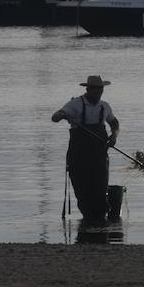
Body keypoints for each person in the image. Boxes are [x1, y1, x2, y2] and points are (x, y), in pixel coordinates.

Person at [52, 75, 120, 225]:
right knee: (82, 188)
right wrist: (61, 115)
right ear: (88, 89)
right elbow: (54, 117)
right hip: (78, 154)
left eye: (100, 90)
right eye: (95, 90)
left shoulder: (105, 106)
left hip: (99, 154)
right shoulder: (74, 104)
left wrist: (114, 136)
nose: (97, 93)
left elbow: (114, 123)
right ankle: (89, 218)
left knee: (100, 186)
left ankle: (100, 220)